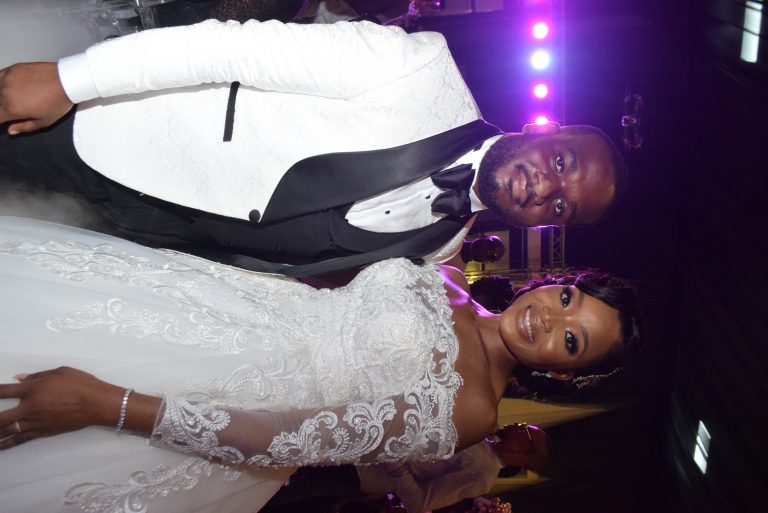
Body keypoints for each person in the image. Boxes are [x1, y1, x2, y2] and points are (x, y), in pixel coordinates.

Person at [0, 216, 642, 513]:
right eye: (567, 300)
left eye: (571, 342)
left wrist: (107, 404)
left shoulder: (471, 410)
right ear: (557, 282)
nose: (549, 320)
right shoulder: (447, 274)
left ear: (561, 373)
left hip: (219, 403)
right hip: (219, 306)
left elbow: (285, 439)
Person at [0, 19, 626, 277]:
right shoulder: (421, 69)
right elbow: (230, 48)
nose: (547, 188)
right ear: (545, 129)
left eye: (562, 207)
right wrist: (71, 80)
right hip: (110, 138)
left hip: (126, 245)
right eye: (562, 163)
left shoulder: (441, 248)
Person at [262, 423, 551, 513]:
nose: (518, 425)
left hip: (365, 472)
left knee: (289, 484)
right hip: (366, 445)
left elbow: (420, 502)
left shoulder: (482, 476)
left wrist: (396, 460)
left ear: (524, 451)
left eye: (524, 430)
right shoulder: (482, 436)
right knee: (285, 454)